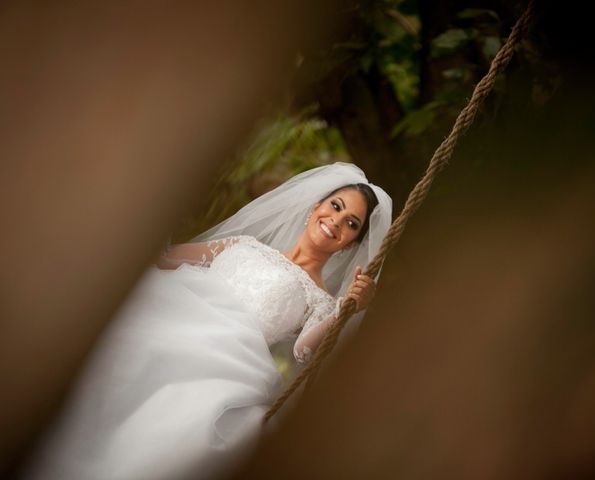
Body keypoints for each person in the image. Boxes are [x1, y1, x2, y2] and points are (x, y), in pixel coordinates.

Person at [22, 162, 393, 480]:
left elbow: (302, 352)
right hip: (171, 311)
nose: (336, 222)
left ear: (348, 244)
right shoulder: (242, 245)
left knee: (191, 422)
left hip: (224, 357)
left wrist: (349, 309)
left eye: (351, 223)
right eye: (335, 206)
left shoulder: (323, 301)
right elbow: (166, 258)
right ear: (316, 206)